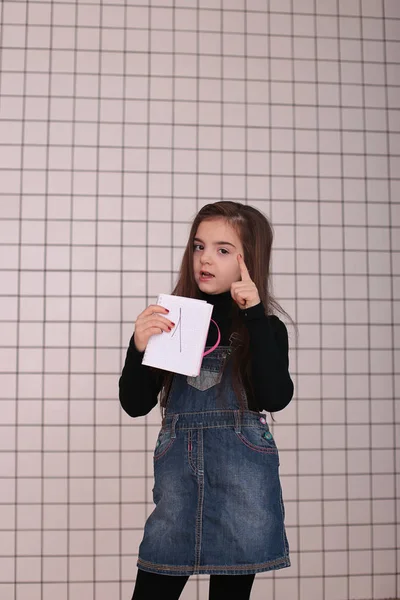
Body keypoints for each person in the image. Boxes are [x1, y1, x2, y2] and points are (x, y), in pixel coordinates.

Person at [119, 201, 294, 600]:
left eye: (223, 250)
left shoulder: (264, 327)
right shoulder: (171, 320)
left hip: (242, 475)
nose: (206, 259)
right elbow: (134, 403)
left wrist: (253, 315)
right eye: (199, 247)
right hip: (179, 476)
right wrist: (138, 346)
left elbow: (274, 397)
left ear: (250, 259)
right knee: (155, 583)